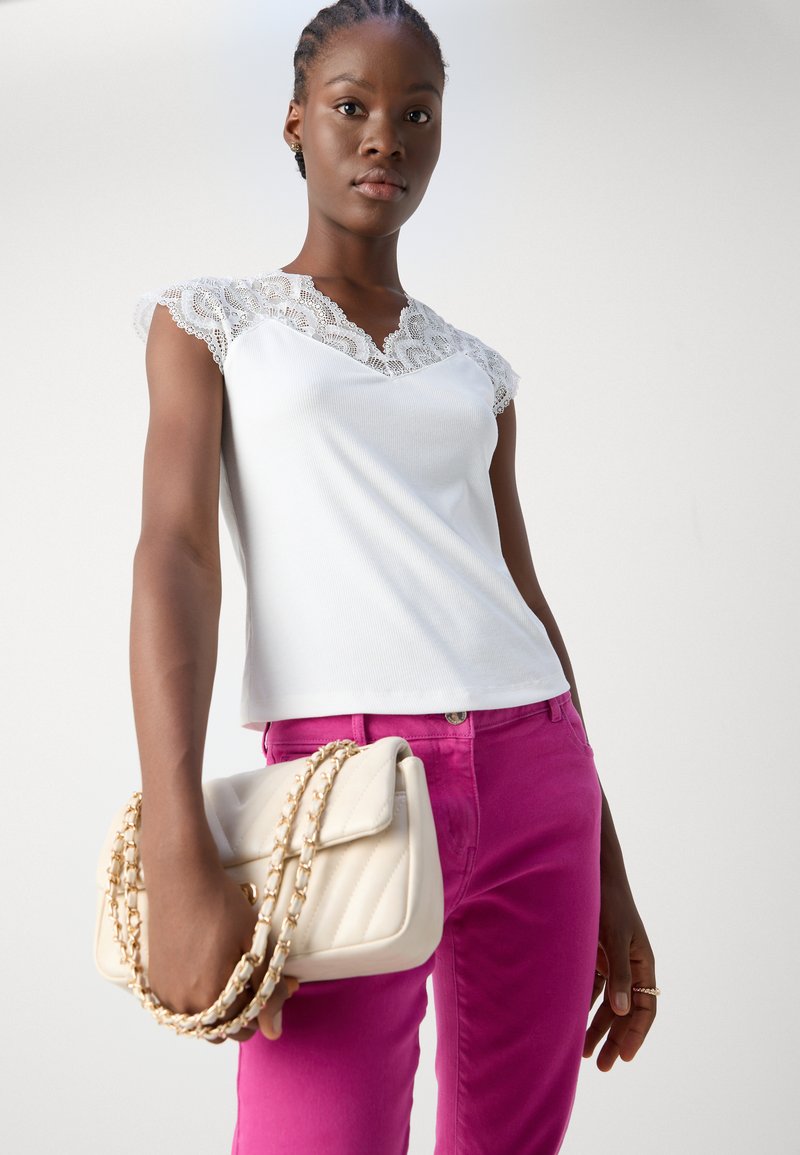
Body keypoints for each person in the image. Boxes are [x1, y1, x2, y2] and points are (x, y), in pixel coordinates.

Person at [130, 2, 658, 1152]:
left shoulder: (476, 371)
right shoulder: (213, 324)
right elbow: (176, 558)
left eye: (416, 113)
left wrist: (609, 870)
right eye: (351, 106)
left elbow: (520, 595)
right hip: (341, 789)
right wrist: (177, 848)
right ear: (294, 123)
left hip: (537, 781)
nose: (385, 136)